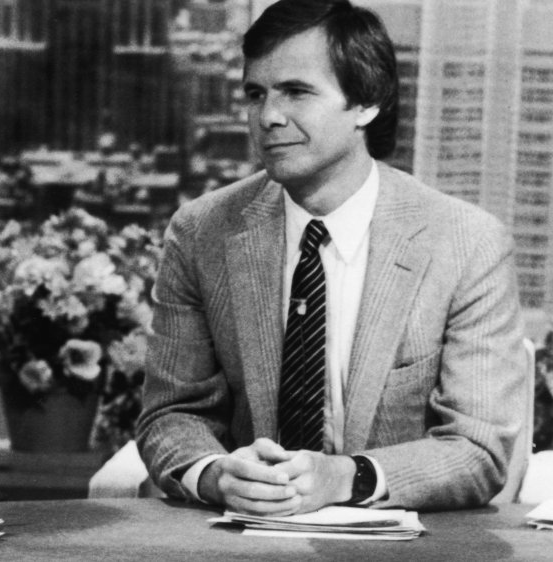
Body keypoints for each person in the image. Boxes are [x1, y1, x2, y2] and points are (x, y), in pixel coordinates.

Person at [136, 0, 525, 515]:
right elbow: (170, 414)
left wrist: (344, 478)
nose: (269, 117)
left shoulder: (467, 244)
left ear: (367, 103)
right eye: (256, 94)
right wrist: (214, 475)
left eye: (296, 92)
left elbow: (477, 450)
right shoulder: (201, 232)